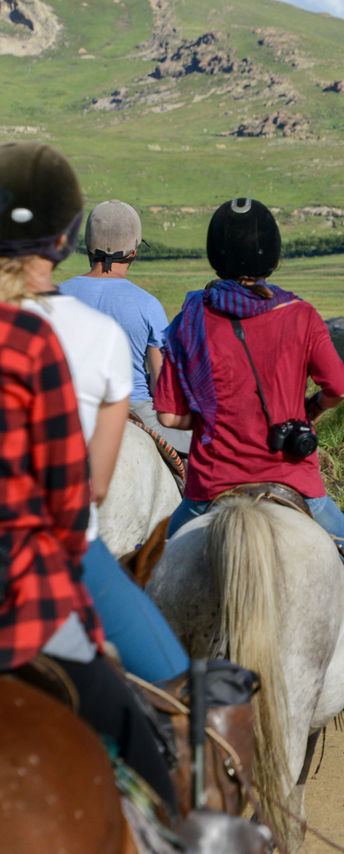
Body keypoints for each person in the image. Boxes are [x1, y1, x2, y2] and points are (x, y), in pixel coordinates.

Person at [154, 197, 344, 741]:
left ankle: (154, 702)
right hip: (294, 486)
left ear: (215, 253)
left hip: (210, 489)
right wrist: (308, 410)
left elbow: (170, 413)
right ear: (274, 255)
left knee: (157, 587)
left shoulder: (188, 320)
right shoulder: (301, 315)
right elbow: (339, 387)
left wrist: (210, 410)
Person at [0, 140, 178, 814]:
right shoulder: (56, 336)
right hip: (34, 588)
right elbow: (82, 492)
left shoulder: (48, 308)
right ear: (65, 236)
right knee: (167, 712)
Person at [58, 200, 191, 454]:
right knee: (192, 455)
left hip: (67, 407)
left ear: (88, 246)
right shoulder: (148, 305)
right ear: (134, 251)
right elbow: (160, 385)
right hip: (133, 406)